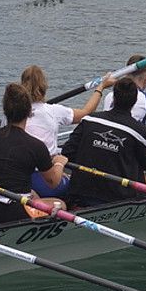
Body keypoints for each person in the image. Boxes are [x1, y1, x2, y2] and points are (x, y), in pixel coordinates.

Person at [62, 78, 146, 209]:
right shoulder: (139, 130)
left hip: (81, 190)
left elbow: (67, 152)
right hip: (118, 195)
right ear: (134, 102)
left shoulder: (89, 119)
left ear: (114, 98)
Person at [0, 83, 67, 225]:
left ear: (5, 110)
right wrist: (59, 163)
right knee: (60, 204)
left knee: (33, 193)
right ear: (29, 112)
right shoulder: (35, 146)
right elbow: (53, 182)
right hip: (16, 211)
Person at [20, 64, 116, 195]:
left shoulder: (12, 114)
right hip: (43, 178)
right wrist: (100, 88)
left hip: (18, 176)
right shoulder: (53, 111)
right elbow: (86, 113)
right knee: (76, 185)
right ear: (44, 87)